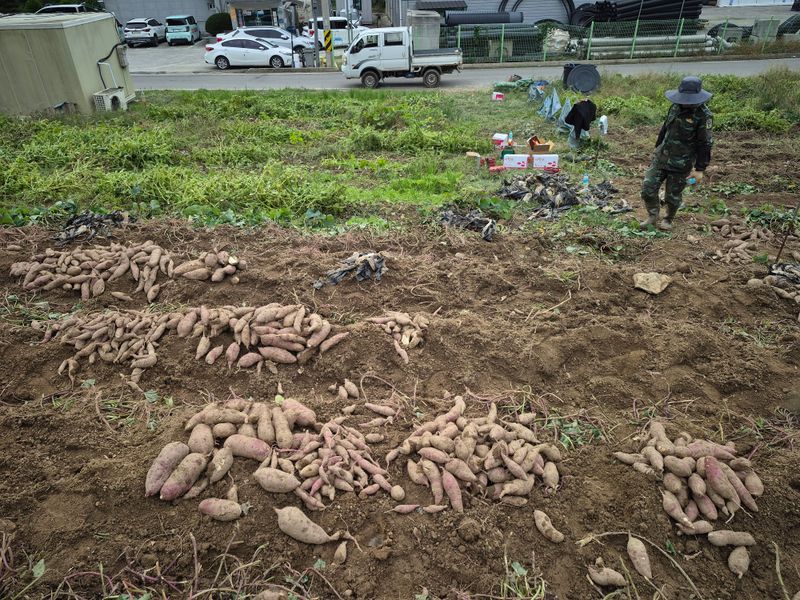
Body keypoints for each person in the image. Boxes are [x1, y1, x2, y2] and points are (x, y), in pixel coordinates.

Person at [640, 76, 713, 231]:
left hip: (682, 162)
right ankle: (653, 216)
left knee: (672, 196)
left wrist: (700, 169)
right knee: (648, 187)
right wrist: (657, 146)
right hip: (662, 157)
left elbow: (705, 143)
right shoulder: (675, 107)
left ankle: (668, 218)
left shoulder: (703, 115)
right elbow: (665, 128)